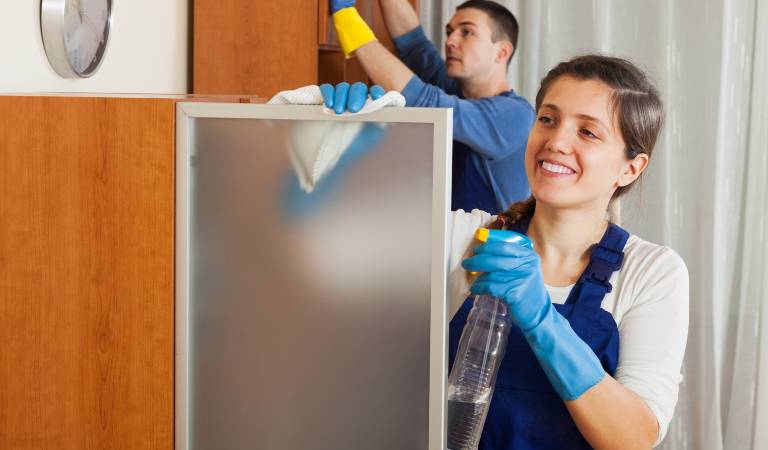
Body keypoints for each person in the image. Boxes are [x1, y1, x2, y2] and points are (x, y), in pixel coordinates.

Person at [447, 55, 689, 449]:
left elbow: (633, 438)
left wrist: (542, 321)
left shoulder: (651, 272)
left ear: (630, 168)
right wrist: (336, 134)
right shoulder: (464, 237)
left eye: (588, 132)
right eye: (548, 119)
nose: (556, 142)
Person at [324, 0, 534, 214]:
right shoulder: (455, 91)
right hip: (442, 238)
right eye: (450, 31)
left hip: (484, 244)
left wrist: (347, 19)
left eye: (467, 32)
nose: (450, 41)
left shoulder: (515, 115)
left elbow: (422, 97)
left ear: (501, 52)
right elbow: (414, 45)